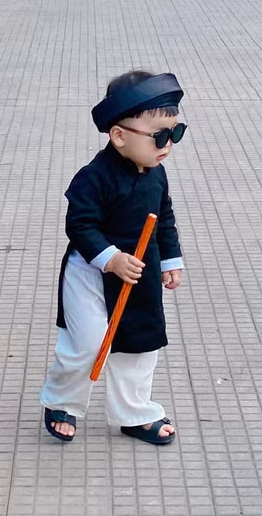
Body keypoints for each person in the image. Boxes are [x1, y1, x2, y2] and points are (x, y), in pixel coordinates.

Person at [40, 70, 186, 446]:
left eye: (176, 133)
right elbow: (81, 225)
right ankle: (62, 401)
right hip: (90, 273)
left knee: (140, 342)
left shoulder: (157, 174)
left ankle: (135, 414)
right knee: (87, 343)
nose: (167, 144)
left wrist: (170, 260)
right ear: (118, 136)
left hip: (140, 274)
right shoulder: (93, 177)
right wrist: (111, 258)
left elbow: (164, 219)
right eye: (160, 136)